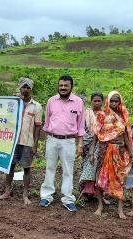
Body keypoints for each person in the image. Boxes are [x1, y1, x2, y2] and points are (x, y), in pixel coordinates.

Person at [39, 75, 85, 211]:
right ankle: (46, 196)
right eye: (61, 86)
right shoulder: (51, 101)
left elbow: (81, 126)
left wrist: (80, 144)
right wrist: (45, 143)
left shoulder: (78, 102)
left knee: (68, 170)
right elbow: (46, 124)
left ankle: (68, 199)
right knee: (50, 168)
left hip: (69, 141)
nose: (63, 88)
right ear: (58, 86)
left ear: (71, 87)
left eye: (66, 86)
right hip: (52, 139)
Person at [0, 77, 42, 204]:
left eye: (28, 87)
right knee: (10, 167)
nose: (25, 89)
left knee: (27, 168)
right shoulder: (13, 103)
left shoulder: (37, 106)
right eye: (24, 87)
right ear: (19, 88)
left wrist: (35, 144)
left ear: (31, 89)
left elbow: (38, 126)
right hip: (12, 141)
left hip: (27, 141)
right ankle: (7, 191)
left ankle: (25, 194)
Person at [91, 91, 133, 218]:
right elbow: (96, 135)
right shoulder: (101, 115)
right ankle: (100, 206)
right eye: (112, 101)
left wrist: (131, 154)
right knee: (99, 178)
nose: (114, 103)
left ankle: (120, 209)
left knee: (120, 179)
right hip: (104, 150)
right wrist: (92, 151)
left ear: (120, 102)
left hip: (119, 152)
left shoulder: (123, 116)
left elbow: (126, 136)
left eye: (117, 101)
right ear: (108, 101)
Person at [79, 92, 104, 198]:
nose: (97, 103)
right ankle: (86, 191)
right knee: (87, 165)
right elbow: (80, 128)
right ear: (91, 101)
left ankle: (96, 192)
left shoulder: (105, 114)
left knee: (99, 168)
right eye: (95, 101)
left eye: (99, 101)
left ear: (102, 102)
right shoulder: (86, 113)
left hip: (101, 143)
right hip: (86, 142)